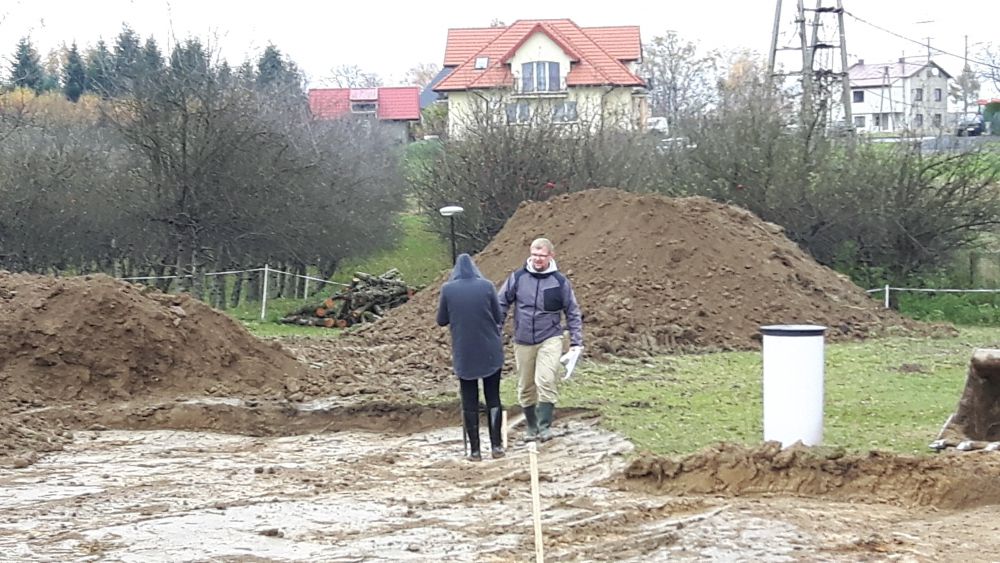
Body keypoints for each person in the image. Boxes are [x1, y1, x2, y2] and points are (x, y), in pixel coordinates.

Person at [498, 238, 583, 442]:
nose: (537, 259)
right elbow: (501, 302)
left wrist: (576, 341)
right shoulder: (517, 278)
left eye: (541, 256)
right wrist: (496, 330)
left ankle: (544, 427)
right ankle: (532, 427)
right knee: (526, 386)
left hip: (550, 337)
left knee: (545, 380)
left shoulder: (560, 282)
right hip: (523, 339)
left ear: (550, 256)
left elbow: (572, 311)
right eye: (534, 255)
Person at [436, 253, 506, 461]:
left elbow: (441, 320)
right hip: (490, 349)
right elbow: (498, 316)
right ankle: (497, 447)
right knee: (493, 397)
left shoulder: (448, 290)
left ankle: (475, 451)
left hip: (464, 351)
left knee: (469, 400)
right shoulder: (487, 286)